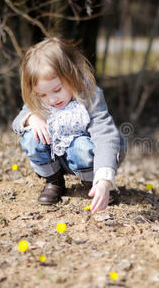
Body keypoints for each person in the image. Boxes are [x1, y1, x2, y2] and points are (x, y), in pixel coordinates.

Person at [12, 37, 125, 213]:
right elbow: (17, 121)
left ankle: (93, 183)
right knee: (30, 138)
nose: (51, 99)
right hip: (59, 157)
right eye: (42, 95)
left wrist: (104, 179)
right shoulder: (42, 100)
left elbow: (105, 135)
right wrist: (31, 118)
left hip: (88, 156)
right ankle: (54, 181)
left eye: (57, 90)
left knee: (80, 146)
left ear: (71, 75)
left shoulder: (89, 96)